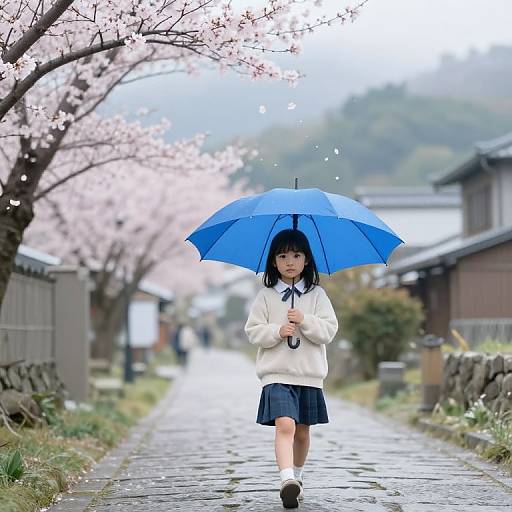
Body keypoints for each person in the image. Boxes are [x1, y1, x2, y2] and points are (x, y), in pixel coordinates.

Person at [245, 229, 338, 509]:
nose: (289, 261)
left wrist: (305, 320)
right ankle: (286, 479)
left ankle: (297, 477)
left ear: (307, 260)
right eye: (282, 255)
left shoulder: (317, 295)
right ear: (273, 262)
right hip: (277, 374)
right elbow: (253, 331)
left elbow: (329, 331)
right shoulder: (265, 296)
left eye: (296, 255)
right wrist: (277, 330)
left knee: (302, 432)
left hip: (309, 375)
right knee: (285, 425)